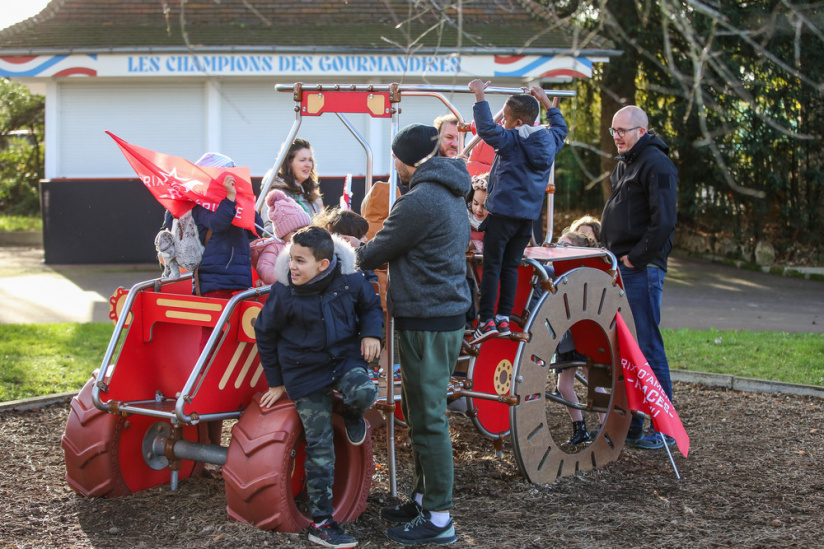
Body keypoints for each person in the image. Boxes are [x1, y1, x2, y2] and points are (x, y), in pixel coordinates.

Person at [355, 123, 471, 546]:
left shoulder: (419, 200)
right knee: (422, 413)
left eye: (396, 161)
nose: (396, 168)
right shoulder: (452, 190)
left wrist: (342, 251)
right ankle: (423, 499)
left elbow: (375, 251)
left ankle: (439, 519)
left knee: (428, 419)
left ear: (407, 161)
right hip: (443, 315)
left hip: (427, 319)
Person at [254, 226, 383, 549]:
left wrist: (371, 333)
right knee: (320, 446)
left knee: (365, 392)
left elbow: (370, 306)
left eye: (301, 261)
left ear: (324, 264)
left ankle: (352, 414)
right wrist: (276, 382)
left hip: (342, 360)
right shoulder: (284, 292)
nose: (292, 266)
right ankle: (322, 524)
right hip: (304, 371)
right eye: (291, 258)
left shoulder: (350, 281)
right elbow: (265, 333)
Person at [600, 105, 678, 450]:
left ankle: (664, 429)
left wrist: (635, 258)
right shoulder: (625, 164)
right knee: (625, 348)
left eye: (623, 131)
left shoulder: (657, 164)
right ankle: (632, 424)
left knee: (646, 346)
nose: (616, 136)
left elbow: (664, 221)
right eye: (613, 131)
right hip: (620, 267)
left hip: (641, 269)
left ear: (641, 132)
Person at [467, 79, 568, 343]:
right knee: (510, 267)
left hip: (501, 216)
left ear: (518, 123)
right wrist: (545, 100)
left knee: (492, 267)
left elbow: (486, 128)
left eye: (506, 119)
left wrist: (479, 95)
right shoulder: (549, 140)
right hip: (526, 220)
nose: (503, 123)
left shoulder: (511, 140)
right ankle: (503, 318)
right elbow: (561, 128)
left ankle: (486, 320)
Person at [185, 152, 263, 298]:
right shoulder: (201, 204)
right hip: (214, 282)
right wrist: (230, 198)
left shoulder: (234, 202)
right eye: (228, 173)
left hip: (238, 279)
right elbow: (218, 224)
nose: (233, 179)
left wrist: (245, 202)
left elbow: (257, 229)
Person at [552, 230, 603, 445]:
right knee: (564, 386)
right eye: (558, 244)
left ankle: (606, 426)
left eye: (565, 245)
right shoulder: (555, 270)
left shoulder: (581, 272)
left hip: (581, 332)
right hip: (565, 335)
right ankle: (579, 429)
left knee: (593, 380)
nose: (559, 248)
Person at [252, 189, 312, 286]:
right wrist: (283, 279)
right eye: (295, 231)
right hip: (279, 289)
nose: (301, 234)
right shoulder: (274, 247)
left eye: (305, 230)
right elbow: (264, 267)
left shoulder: (309, 247)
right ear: (283, 233)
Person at [271, 137, 324, 217]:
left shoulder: (312, 192)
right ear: (288, 163)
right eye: (302, 160)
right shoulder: (277, 194)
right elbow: (270, 224)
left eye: (310, 160)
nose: (308, 165)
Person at [467, 173, 488, 255]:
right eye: (475, 203)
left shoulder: (496, 224)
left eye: (485, 206)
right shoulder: (465, 215)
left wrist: (474, 245)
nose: (479, 210)